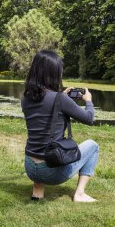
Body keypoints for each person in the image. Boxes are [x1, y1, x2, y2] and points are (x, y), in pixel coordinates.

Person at [22, 50, 99, 202]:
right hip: (51, 171)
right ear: (54, 73)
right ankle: (80, 194)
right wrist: (88, 101)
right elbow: (89, 118)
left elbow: (44, 108)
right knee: (93, 145)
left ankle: (37, 191)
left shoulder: (26, 97)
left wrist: (61, 96)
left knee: (39, 140)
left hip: (30, 167)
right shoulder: (60, 99)